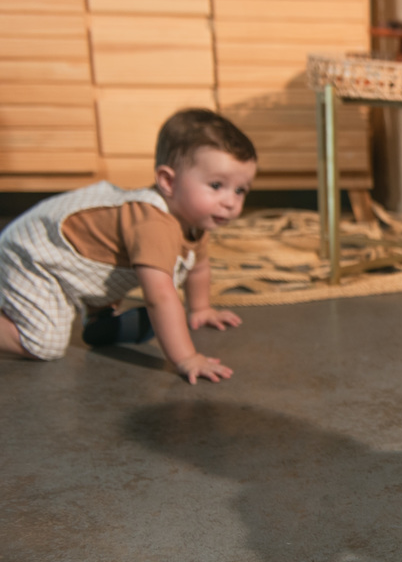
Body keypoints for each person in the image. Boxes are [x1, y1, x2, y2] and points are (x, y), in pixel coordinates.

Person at [0, 108, 256, 383]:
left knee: (116, 263)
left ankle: (101, 319)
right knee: (43, 343)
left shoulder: (194, 221)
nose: (230, 202)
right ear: (168, 181)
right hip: (34, 256)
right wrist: (186, 358)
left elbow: (198, 268)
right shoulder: (154, 224)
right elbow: (160, 297)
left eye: (240, 190)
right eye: (216, 185)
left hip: (81, 258)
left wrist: (200, 308)